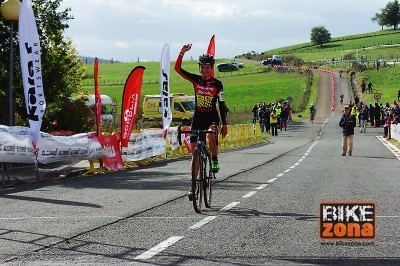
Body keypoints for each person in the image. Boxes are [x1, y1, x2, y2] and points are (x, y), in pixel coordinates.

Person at [174, 44, 228, 199]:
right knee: (194, 154)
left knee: (211, 134)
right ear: (200, 68)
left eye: (207, 68)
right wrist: (181, 53)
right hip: (197, 119)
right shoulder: (196, 80)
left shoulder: (217, 84)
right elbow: (178, 69)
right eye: (202, 67)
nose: (204, 70)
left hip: (212, 117)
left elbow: (222, 105)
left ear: (212, 68)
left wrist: (224, 124)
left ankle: (215, 159)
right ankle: (193, 186)